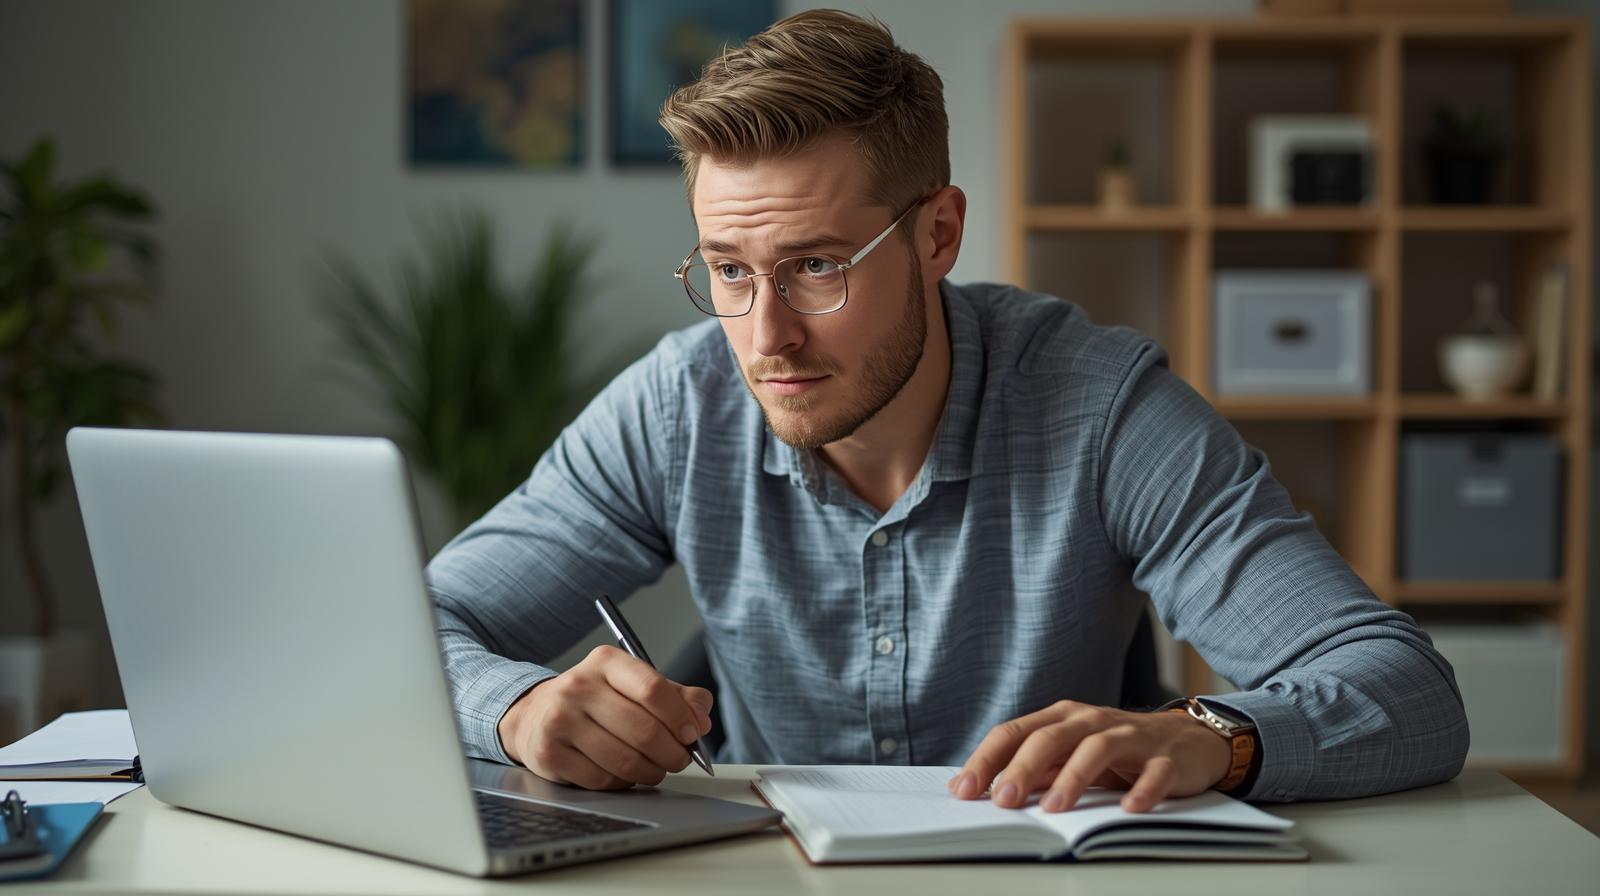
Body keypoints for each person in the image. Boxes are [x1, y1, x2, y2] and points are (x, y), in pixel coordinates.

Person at [427, 9, 1468, 815]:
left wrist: (1215, 735)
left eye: (817, 265)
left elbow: (1406, 690)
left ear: (937, 234)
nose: (764, 335)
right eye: (728, 271)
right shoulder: (675, 404)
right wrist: (512, 709)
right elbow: (418, 625)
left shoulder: (1102, 408)